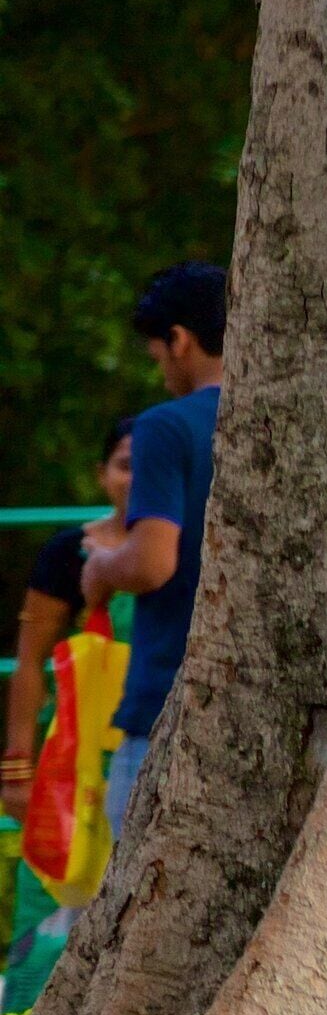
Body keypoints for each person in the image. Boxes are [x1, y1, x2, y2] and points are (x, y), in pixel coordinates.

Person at [83, 261, 223, 834]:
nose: (162, 371)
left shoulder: (167, 426)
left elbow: (152, 561)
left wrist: (101, 568)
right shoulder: (292, 419)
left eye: (157, 355)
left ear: (180, 341)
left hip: (168, 697)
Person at [4, 421, 128, 804]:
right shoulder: (68, 553)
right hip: (82, 749)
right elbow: (29, 662)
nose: (140, 478)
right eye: (125, 465)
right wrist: (17, 771)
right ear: (101, 475)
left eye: (154, 465)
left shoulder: (202, 547)